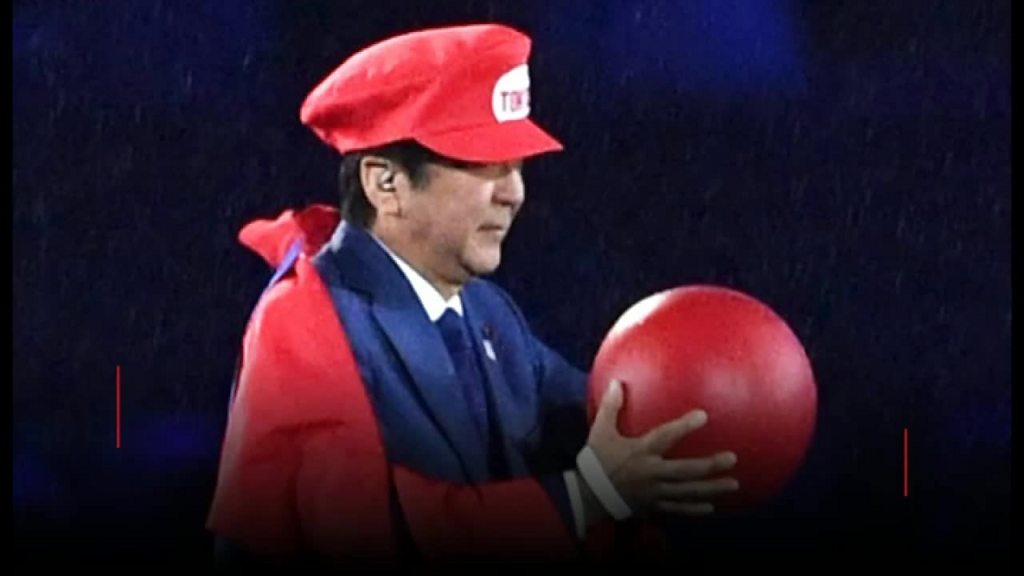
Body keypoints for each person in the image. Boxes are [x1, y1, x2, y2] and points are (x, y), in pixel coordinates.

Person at [207, 23, 739, 567]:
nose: (514, 193)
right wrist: (589, 495)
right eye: (484, 163)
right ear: (385, 184)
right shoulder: (301, 318)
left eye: (518, 165)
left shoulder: (487, 311)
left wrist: (710, 412)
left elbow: (607, 420)